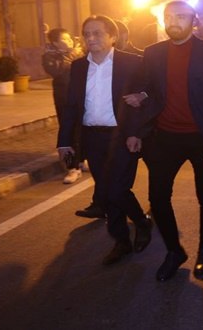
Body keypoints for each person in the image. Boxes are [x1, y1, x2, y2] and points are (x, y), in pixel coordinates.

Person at [124, 1, 203, 282]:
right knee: (157, 197)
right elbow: (143, 91)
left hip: (202, 137)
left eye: (180, 16)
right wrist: (135, 130)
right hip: (165, 136)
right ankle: (174, 251)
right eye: (169, 16)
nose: (174, 21)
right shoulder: (153, 53)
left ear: (193, 21)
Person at [56, 15, 152, 265]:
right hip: (92, 137)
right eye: (87, 34)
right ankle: (121, 240)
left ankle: (141, 221)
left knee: (116, 188)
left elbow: (152, 93)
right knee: (107, 192)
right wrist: (64, 141)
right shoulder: (78, 67)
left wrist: (136, 130)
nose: (91, 38)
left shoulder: (132, 63)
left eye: (97, 33)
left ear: (112, 36)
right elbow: (71, 107)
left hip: (122, 137)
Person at [42, 27, 84, 184]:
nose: (69, 42)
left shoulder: (80, 53)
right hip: (64, 100)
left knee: (82, 130)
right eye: (64, 39)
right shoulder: (49, 57)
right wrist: (72, 53)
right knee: (67, 133)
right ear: (55, 43)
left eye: (69, 38)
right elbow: (56, 70)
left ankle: (80, 161)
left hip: (81, 97)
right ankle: (71, 168)